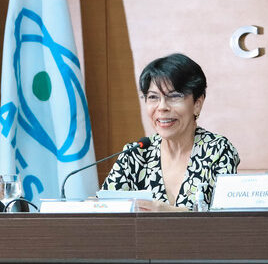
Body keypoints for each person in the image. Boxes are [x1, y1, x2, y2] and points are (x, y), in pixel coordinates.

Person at [101, 53, 240, 211]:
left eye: (174, 97)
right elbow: (105, 211)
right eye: (153, 97)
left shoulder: (217, 151)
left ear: (197, 104)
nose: (162, 107)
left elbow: (225, 220)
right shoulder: (136, 154)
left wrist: (167, 212)